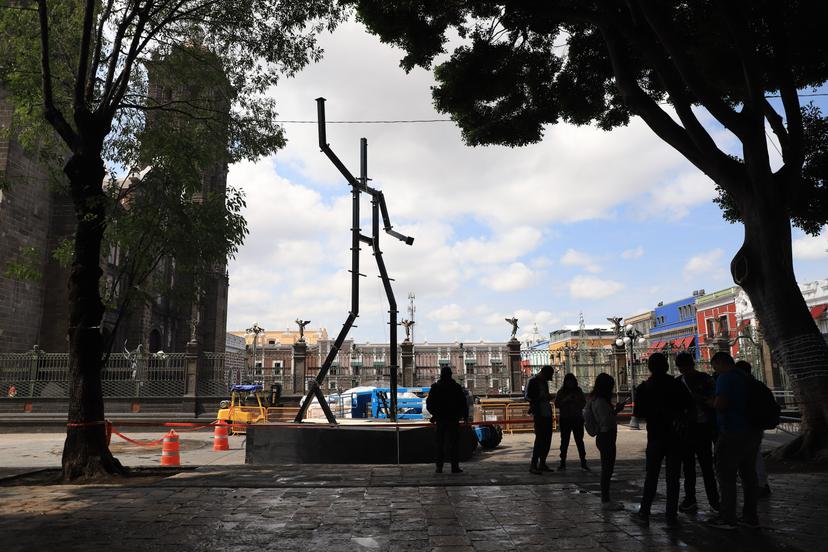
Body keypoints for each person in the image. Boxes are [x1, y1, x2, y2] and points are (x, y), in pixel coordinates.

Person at [630, 352, 693, 528]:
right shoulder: (676, 384)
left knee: (652, 475)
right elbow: (689, 406)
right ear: (666, 366)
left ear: (649, 367)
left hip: (656, 435)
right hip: (675, 435)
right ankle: (671, 515)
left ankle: (644, 511)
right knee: (673, 477)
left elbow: (638, 414)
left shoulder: (645, 387)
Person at [708, 352, 761, 530]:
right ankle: (750, 516)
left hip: (732, 431)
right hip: (752, 431)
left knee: (726, 476)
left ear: (721, 363)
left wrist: (711, 403)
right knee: (749, 475)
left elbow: (721, 404)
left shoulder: (725, 378)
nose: (714, 370)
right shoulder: (745, 377)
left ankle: (728, 517)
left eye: (714, 366)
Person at [676, 351, 720, 513]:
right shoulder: (706, 379)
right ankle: (714, 501)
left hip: (688, 429)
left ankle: (690, 499)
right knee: (707, 466)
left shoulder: (679, 383)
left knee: (689, 467)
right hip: (703, 427)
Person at [587, 372, 627, 510]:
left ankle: (606, 498)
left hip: (604, 436)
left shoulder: (596, 399)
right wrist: (614, 412)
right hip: (606, 436)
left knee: (607, 468)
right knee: (607, 469)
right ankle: (605, 500)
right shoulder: (601, 402)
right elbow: (606, 421)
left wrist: (615, 411)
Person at [736, 360, 771, 499]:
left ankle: (759, 484)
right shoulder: (758, 385)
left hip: (748, 426)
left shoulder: (744, 386)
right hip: (756, 425)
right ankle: (761, 483)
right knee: (755, 455)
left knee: (753, 457)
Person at [426, 366, 469, 474]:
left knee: (439, 444)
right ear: (450, 375)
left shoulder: (435, 387)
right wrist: (464, 416)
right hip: (453, 419)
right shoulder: (456, 387)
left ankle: (439, 467)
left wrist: (435, 414)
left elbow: (429, 404)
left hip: (440, 420)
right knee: (454, 444)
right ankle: (454, 467)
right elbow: (463, 403)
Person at [555, 373, 589, 471]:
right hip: (565, 419)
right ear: (565, 382)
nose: (570, 383)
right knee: (564, 441)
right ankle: (562, 462)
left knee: (579, 441)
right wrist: (566, 400)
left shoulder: (578, 391)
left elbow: (583, 402)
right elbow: (557, 404)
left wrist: (576, 401)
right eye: (568, 381)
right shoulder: (561, 392)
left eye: (572, 381)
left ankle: (583, 461)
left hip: (577, 419)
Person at [526, 365, 555, 474]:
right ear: (544, 374)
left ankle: (542, 463)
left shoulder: (544, 382)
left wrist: (547, 397)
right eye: (548, 376)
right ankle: (534, 465)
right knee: (539, 440)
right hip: (539, 414)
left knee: (547, 439)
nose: (549, 379)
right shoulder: (533, 381)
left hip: (546, 412)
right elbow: (527, 396)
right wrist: (540, 399)